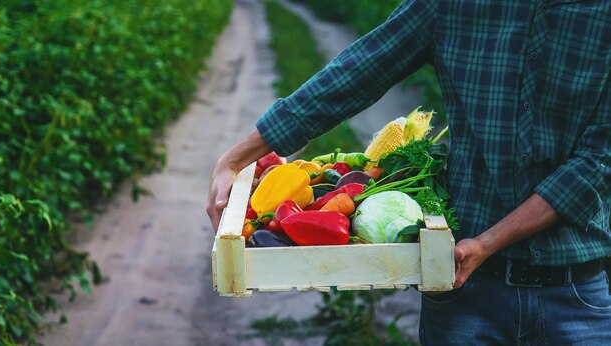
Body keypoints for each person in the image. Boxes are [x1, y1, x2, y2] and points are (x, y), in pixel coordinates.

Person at [208, 0, 611, 344]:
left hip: (574, 295)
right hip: (465, 294)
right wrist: (235, 157)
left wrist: (489, 242)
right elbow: (359, 70)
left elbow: (597, 162)